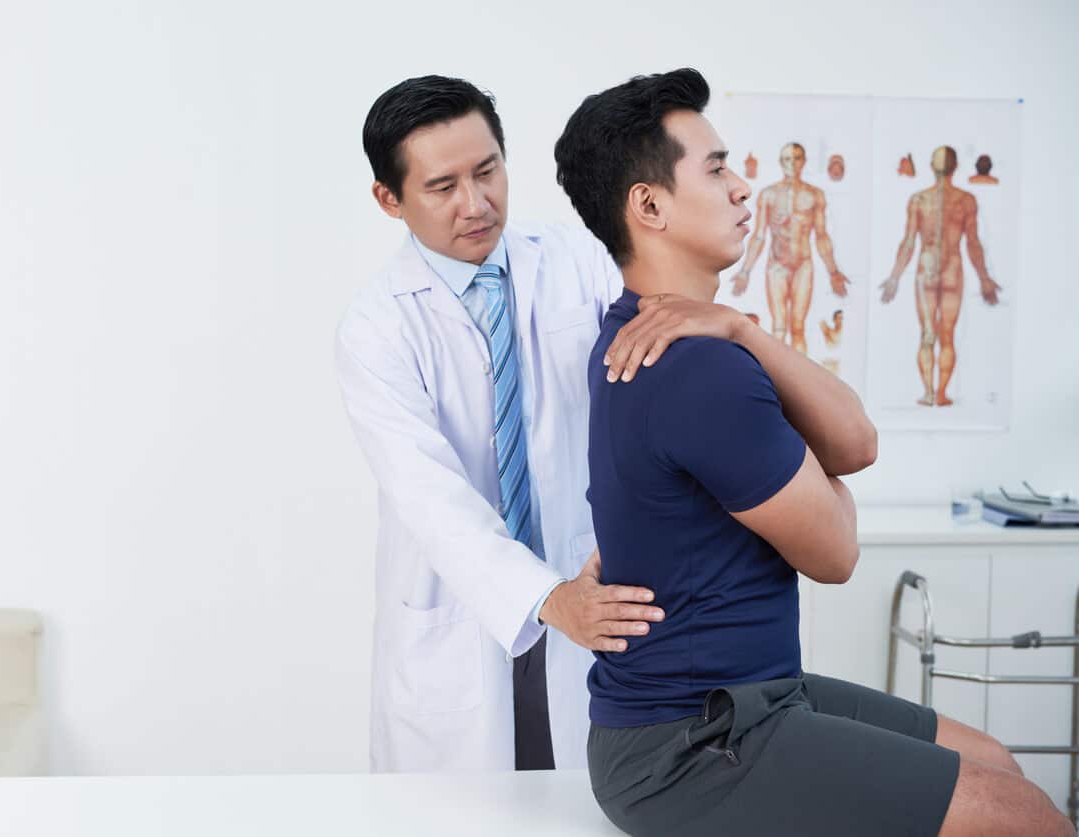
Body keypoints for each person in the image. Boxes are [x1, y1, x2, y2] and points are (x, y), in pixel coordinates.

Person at [554, 68, 1070, 837]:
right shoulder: (692, 367)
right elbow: (836, 550)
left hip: (753, 695)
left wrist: (746, 329)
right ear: (649, 204)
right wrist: (811, 456)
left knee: (998, 761)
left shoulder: (667, 333)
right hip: (690, 743)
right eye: (718, 167)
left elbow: (856, 440)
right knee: (1025, 815)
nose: (742, 187)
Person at [335, 76, 745, 773]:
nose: (477, 202)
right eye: (443, 186)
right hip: (464, 613)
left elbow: (663, 357)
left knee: (587, 802)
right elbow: (428, 496)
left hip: (595, 586)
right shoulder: (376, 327)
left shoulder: (576, 259)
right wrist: (549, 597)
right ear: (389, 198)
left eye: (487, 170)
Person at [880, 146, 1002, 407]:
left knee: (929, 333)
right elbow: (972, 243)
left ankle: (929, 393)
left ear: (931, 167)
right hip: (951, 270)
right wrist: (984, 278)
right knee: (944, 334)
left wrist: (895, 278)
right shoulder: (964, 200)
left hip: (928, 269)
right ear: (956, 167)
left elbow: (910, 242)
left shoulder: (920, 199)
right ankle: (940, 393)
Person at [730, 142, 850, 355]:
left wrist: (833, 271)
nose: (792, 164)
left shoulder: (815, 195)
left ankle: (798, 386)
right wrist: (745, 272)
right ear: (780, 162)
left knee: (798, 328)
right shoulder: (768, 195)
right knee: (778, 328)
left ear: (803, 161)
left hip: (803, 264)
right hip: (777, 266)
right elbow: (759, 236)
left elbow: (821, 236)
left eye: (796, 158)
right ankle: (776, 387)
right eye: (787, 159)